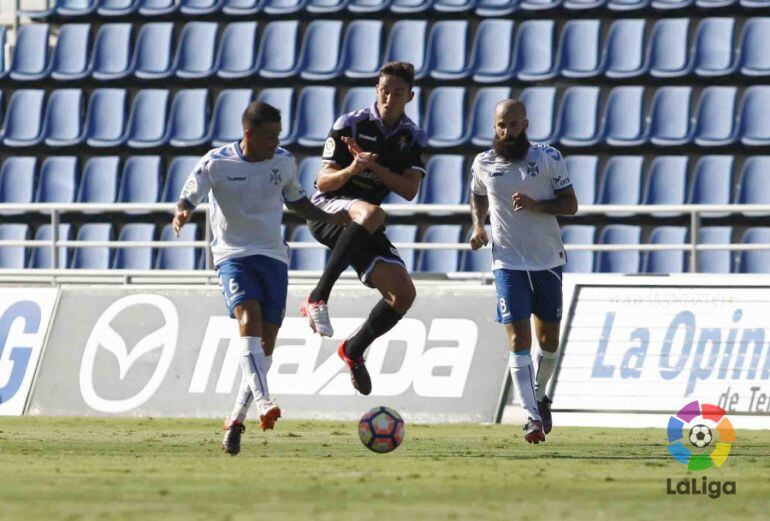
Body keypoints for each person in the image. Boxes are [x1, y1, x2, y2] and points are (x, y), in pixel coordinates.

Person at [172, 101, 349, 455]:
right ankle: (265, 400)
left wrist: (335, 218)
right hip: (232, 256)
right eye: (270, 136)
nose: (276, 142)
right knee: (248, 319)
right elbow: (189, 195)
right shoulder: (217, 162)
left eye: (278, 136)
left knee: (265, 346)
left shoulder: (282, 161)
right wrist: (182, 213)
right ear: (249, 135)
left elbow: (297, 201)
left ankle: (235, 419)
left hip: (272, 257)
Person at [299, 61, 428, 396]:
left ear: (409, 97)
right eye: (385, 91)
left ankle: (353, 350)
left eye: (397, 93)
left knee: (403, 295)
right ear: (377, 90)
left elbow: (409, 190)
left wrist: (374, 167)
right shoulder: (351, 124)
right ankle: (318, 296)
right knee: (372, 214)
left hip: (363, 222)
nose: (389, 98)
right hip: (328, 211)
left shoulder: (412, 137)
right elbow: (323, 181)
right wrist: (354, 168)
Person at [469, 99, 578, 444]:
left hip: (547, 261)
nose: (506, 131)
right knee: (518, 339)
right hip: (508, 263)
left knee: (548, 342)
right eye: (501, 125)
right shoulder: (484, 163)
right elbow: (477, 196)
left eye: (513, 125)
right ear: (495, 126)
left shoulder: (548, 158)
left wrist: (537, 206)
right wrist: (478, 226)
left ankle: (541, 396)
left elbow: (571, 205)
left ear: (525, 124)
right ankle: (530, 417)